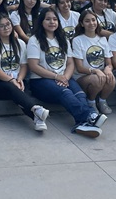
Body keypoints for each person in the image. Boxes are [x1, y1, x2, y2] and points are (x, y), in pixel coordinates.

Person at [26, 8, 105, 138]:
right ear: (41, 22)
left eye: (55, 19)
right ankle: (90, 116)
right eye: (48, 19)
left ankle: (82, 123)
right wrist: (57, 76)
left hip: (63, 77)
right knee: (66, 92)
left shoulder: (63, 39)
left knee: (80, 93)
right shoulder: (35, 40)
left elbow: (70, 63)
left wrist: (65, 77)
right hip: (40, 81)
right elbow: (33, 66)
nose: (52, 22)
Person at [0, 13, 50, 131]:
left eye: (8, 24)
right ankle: (36, 110)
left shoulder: (20, 43)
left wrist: (19, 79)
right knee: (12, 88)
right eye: (2, 26)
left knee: (17, 92)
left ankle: (37, 118)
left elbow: (24, 65)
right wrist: (11, 80)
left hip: (17, 80)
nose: (6, 28)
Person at [71, 10, 116, 115]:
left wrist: (108, 69)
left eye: (93, 20)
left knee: (111, 78)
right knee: (97, 79)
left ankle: (102, 101)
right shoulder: (77, 40)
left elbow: (109, 63)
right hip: (83, 76)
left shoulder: (103, 39)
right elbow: (79, 68)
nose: (91, 23)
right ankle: (91, 101)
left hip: (100, 74)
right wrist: (95, 71)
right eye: (87, 21)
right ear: (82, 24)